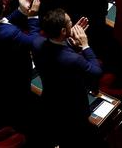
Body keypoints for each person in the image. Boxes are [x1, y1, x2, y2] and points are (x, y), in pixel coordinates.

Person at [32, 8, 103, 139]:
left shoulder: (37, 43)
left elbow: (57, 48)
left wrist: (68, 40)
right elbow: (96, 72)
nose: (73, 23)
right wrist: (85, 45)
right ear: (63, 31)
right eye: (70, 22)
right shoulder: (73, 59)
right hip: (73, 106)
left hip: (51, 98)